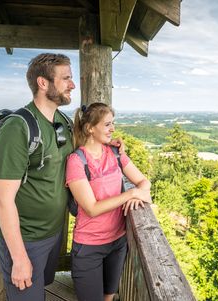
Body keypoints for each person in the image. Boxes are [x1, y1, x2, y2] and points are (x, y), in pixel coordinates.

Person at [0, 53, 123, 301]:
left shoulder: (62, 122)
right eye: (66, 78)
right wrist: (19, 258)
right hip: (26, 240)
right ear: (43, 83)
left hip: (54, 233)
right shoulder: (18, 127)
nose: (72, 84)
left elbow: (86, 152)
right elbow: (2, 200)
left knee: (45, 286)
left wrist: (109, 145)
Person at [66, 102, 151, 301]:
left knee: (109, 297)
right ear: (90, 128)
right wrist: (131, 194)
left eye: (113, 123)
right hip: (89, 247)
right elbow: (92, 208)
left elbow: (144, 182)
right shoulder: (76, 161)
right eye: (107, 124)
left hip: (118, 242)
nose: (113, 129)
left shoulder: (115, 153)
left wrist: (141, 191)